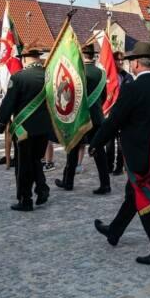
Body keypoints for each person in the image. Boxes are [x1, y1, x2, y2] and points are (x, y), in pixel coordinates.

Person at [90, 42, 150, 265]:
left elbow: (114, 120)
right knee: (132, 195)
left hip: (137, 157)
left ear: (136, 63)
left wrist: (96, 142)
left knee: (146, 200)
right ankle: (114, 231)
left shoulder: (132, 89)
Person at [0, 44, 51, 211]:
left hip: (23, 129)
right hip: (44, 127)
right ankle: (42, 187)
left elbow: (8, 103)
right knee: (36, 160)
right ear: (38, 57)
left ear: (24, 59)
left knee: (23, 164)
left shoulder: (19, 77)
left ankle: (25, 200)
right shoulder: (49, 76)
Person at [61, 43, 110, 193]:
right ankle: (105, 184)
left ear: (81, 56)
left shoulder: (76, 72)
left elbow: (69, 96)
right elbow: (103, 96)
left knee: (73, 150)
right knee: (98, 151)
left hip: (79, 117)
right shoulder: (101, 73)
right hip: (96, 117)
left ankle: (68, 182)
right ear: (93, 55)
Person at [107, 51, 133, 176]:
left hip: (123, 113)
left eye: (122, 60)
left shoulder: (127, 77)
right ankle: (109, 165)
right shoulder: (108, 76)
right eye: (118, 59)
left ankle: (119, 166)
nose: (121, 62)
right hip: (110, 113)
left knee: (121, 142)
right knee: (109, 142)